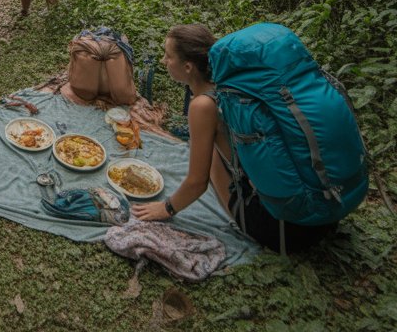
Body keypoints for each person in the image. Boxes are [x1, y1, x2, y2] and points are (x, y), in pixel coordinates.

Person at [131, 24, 333, 252]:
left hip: (282, 230)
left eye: (168, 56)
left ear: (187, 67)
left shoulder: (203, 105)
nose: (163, 61)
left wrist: (166, 208)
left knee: (210, 160)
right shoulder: (235, 84)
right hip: (323, 212)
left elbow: (197, 183)